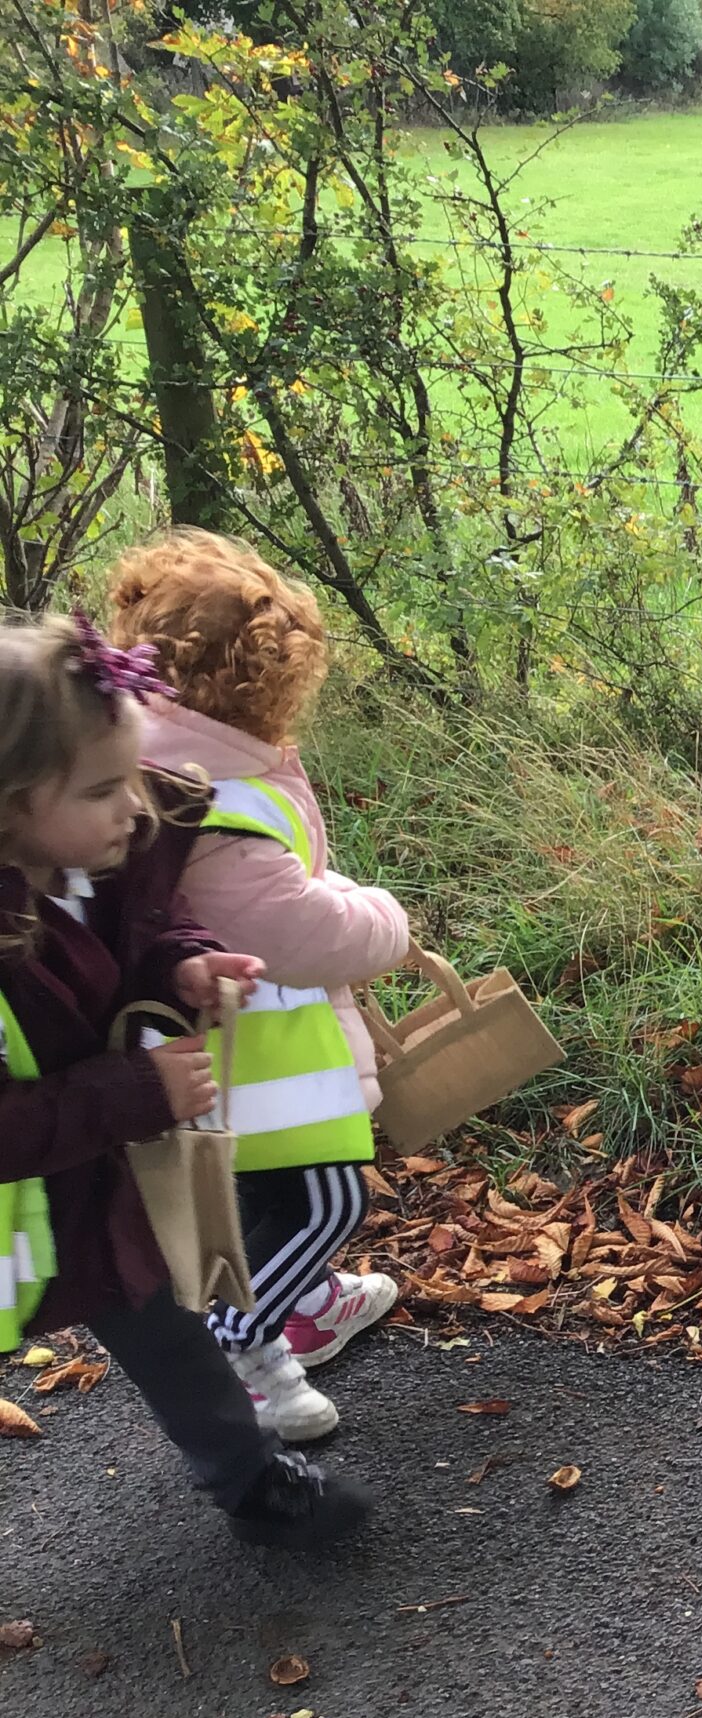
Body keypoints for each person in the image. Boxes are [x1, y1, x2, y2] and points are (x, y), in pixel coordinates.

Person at [0, 612, 370, 1546]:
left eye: (133, 775)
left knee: (164, 1327)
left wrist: (185, 965)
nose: (135, 806)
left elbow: (148, 933)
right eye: (102, 788)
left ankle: (252, 1479)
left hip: (86, 1194)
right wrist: (137, 1091)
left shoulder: (92, 865)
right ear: (8, 805)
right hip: (26, 1199)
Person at [112, 529, 413, 1442]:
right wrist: (382, 917)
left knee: (259, 1195)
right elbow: (290, 930)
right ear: (262, 683)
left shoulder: (155, 749)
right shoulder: (213, 792)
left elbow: (262, 891)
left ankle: (303, 1303)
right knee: (327, 1197)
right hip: (260, 1049)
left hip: (217, 1044)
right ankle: (242, 1344)